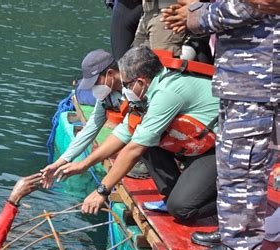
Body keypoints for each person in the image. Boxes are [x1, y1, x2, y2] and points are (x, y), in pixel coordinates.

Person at [166, 0, 278, 250]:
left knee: (245, 164)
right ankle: (232, 229)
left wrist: (193, 16)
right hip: (238, 79)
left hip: (257, 81)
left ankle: (242, 246)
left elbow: (245, 7)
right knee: (229, 162)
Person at [56, 46, 220, 223]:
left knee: (181, 209)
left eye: (126, 84)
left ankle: (230, 207)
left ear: (141, 81)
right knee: (143, 137)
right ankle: (172, 195)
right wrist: (83, 164)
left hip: (220, 148)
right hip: (196, 144)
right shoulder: (146, 94)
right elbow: (124, 132)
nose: (124, 90)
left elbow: (133, 150)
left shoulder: (166, 93)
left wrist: (102, 191)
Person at [41, 49, 147, 188]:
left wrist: (85, 165)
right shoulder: (106, 96)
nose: (94, 88)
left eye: (96, 81)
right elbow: (91, 128)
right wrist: (62, 161)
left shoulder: (138, 88)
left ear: (110, 74)